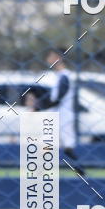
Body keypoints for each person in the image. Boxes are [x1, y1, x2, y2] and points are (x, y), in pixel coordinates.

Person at [41, 48, 86, 177]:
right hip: (58, 115)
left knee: (64, 146)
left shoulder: (64, 76)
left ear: (58, 58)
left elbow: (59, 98)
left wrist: (42, 106)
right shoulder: (59, 77)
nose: (48, 60)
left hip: (63, 116)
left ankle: (80, 170)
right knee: (52, 144)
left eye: (50, 57)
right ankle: (79, 170)